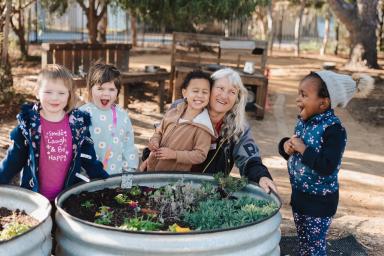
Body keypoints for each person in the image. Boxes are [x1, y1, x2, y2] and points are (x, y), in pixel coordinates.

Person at [278, 70, 374, 255]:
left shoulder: (334, 131)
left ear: (323, 103)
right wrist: (286, 146)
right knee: (304, 245)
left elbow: (327, 165)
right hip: (300, 197)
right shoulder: (304, 122)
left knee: (315, 248)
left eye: (304, 95)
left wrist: (303, 149)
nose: (298, 99)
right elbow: (294, 150)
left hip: (319, 204)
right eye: (299, 93)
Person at [0, 64, 109, 201]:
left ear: (69, 95)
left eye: (61, 93)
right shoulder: (28, 126)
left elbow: (88, 157)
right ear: (37, 92)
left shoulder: (78, 125)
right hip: (34, 198)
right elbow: (13, 160)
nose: (55, 98)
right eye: (48, 92)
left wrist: (103, 178)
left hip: (67, 198)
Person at [164, 68, 277, 193]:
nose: (224, 96)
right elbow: (162, 135)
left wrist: (261, 176)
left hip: (208, 192)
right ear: (210, 88)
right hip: (168, 182)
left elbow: (250, 159)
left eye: (232, 92)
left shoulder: (238, 128)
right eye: (220, 88)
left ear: (237, 99)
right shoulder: (182, 108)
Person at [141, 70, 216, 171]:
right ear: (184, 92)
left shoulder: (203, 126)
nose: (200, 95)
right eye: (195, 91)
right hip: (151, 168)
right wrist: (154, 140)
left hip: (172, 179)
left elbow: (200, 155)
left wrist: (174, 154)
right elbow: (159, 131)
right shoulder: (173, 112)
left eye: (205, 92)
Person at [80, 63, 138, 174]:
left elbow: (128, 147)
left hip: (115, 178)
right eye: (100, 88)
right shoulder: (82, 114)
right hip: (87, 179)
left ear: (118, 92)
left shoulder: (122, 115)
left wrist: (127, 181)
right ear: (90, 89)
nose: (106, 93)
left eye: (111, 89)